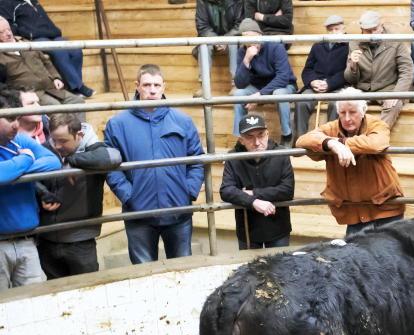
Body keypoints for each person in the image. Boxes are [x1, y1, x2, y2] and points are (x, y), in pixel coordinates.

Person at [103, 64, 205, 265]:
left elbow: (196, 160)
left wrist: (188, 191)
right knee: (144, 274)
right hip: (139, 213)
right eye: (147, 84)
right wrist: (128, 195)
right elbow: (110, 166)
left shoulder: (182, 121)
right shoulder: (118, 124)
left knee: (181, 271)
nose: (152, 90)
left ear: (164, 87)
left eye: (156, 85)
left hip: (178, 210)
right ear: (137, 86)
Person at [295, 87, 404, 236]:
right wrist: (331, 144)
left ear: (363, 110)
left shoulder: (377, 124)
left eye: (352, 112)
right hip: (354, 213)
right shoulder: (331, 128)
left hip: (386, 210)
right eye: (342, 113)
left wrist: (342, 143)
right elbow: (302, 140)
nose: (347, 118)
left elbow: (376, 143)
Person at [36, 113, 121, 279]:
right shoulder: (47, 149)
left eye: (64, 141)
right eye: (55, 140)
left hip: (81, 240)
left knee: (87, 290)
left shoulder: (94, 150)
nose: (58, 146)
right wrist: (42, 194)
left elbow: (113, 157)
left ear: (79, 136)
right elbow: (31, 178)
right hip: (47, 239)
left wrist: (72, 160)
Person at [0, 86, 60, 289]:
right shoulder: (22, 149)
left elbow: (53, 161)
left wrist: (15, 170)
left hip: (27, 241)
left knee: (37, 304)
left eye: (18, 118)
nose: (16, 125)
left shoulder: (18, 141)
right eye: (10, 119)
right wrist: (25, 159)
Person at [220, 113, 294, 250]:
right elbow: (226, 191)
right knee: (250, 270)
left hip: (277, 227)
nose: (257, 142)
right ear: (241, 140)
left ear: (267, 134)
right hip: (248, 229)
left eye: (261, 135)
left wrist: (252, 193)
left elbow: (287, 191)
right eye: (250, 137)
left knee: (279, 269)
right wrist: (254, 202)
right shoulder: (233, 157)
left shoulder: (281, 154)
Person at [0, 0, 93, 97]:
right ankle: (78, 87)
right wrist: (29, 34)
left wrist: (55, 31)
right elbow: (11, 26)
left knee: (75, 50)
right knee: (59, 51)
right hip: (34, 38)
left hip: (51, 35)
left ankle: (75, 87)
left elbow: (46, 20)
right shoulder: (7, 3)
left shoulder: (34, 1)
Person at [344, 11, 414, 128]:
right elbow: (350, 79)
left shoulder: (396, 40)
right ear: (362, 30)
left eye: (375, 29)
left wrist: (396, 95)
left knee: (394, 104)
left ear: (381, 26)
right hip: (362, 90)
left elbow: (407, 71)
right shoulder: (354, 42)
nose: (372, 34)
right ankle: (352, 141)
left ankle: (377, 137)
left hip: (388, 89)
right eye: (368, 31)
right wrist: (353, 65)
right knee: (346, 104)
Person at [232, 18, 297, 145]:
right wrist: (246, 60)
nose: (250, 42)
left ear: (260, 35)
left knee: (280, 93)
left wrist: (260, 95)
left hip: (283, 86)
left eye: (252, 37)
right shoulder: (243, 52)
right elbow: (240, 84)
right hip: (258, 87)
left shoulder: (276, 46)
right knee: (238, 94)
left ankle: (287, 135)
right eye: (245, 39)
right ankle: (241, 138)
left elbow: (283, 78)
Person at [0, 17, 84, 110]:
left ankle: (80, 125)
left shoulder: (26, 43)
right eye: (2, 32)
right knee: (56, 107)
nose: (8, 33)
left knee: (78, 101)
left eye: (8, 29)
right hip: (32, 93)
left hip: (51, 88)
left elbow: (46, 61)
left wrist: (56, 77)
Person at [293, 14, 348, 142]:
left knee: (336, 104)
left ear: (343, 28)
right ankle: (301, 140)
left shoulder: (350, 44)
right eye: (330, 30)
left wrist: (329, 83)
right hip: (316, 85)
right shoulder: (318, 45)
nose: (334, 32)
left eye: (337, 29)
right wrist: (312, 81)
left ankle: (332, 140)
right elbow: (307, 70)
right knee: (301, 102)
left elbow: (348, 73)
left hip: (338, 86)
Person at [194, 0, 245, 95]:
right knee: (204, 45)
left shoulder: (237, 1)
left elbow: (239, 25)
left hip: (231, 36)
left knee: (233, 43)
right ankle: (204, 86)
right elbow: (202, 26)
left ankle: (235, 84)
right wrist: (215, 40)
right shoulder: (202, 1)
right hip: (210, 37)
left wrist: (225, 39)